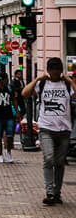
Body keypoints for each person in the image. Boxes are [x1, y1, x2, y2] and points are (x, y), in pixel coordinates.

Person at [22, 57, 76, 205]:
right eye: (52, 69)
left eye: (57, 69)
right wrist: (37, 79)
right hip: (46, 128)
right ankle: (50, 192)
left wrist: (70, 80)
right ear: (48, 70)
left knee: (59, 162)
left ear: (61, 70)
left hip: (64, 129)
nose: (55, 72)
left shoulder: (66, 84)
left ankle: (57, 193)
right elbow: (25, 94)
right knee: (49, 158)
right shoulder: (43, 83)